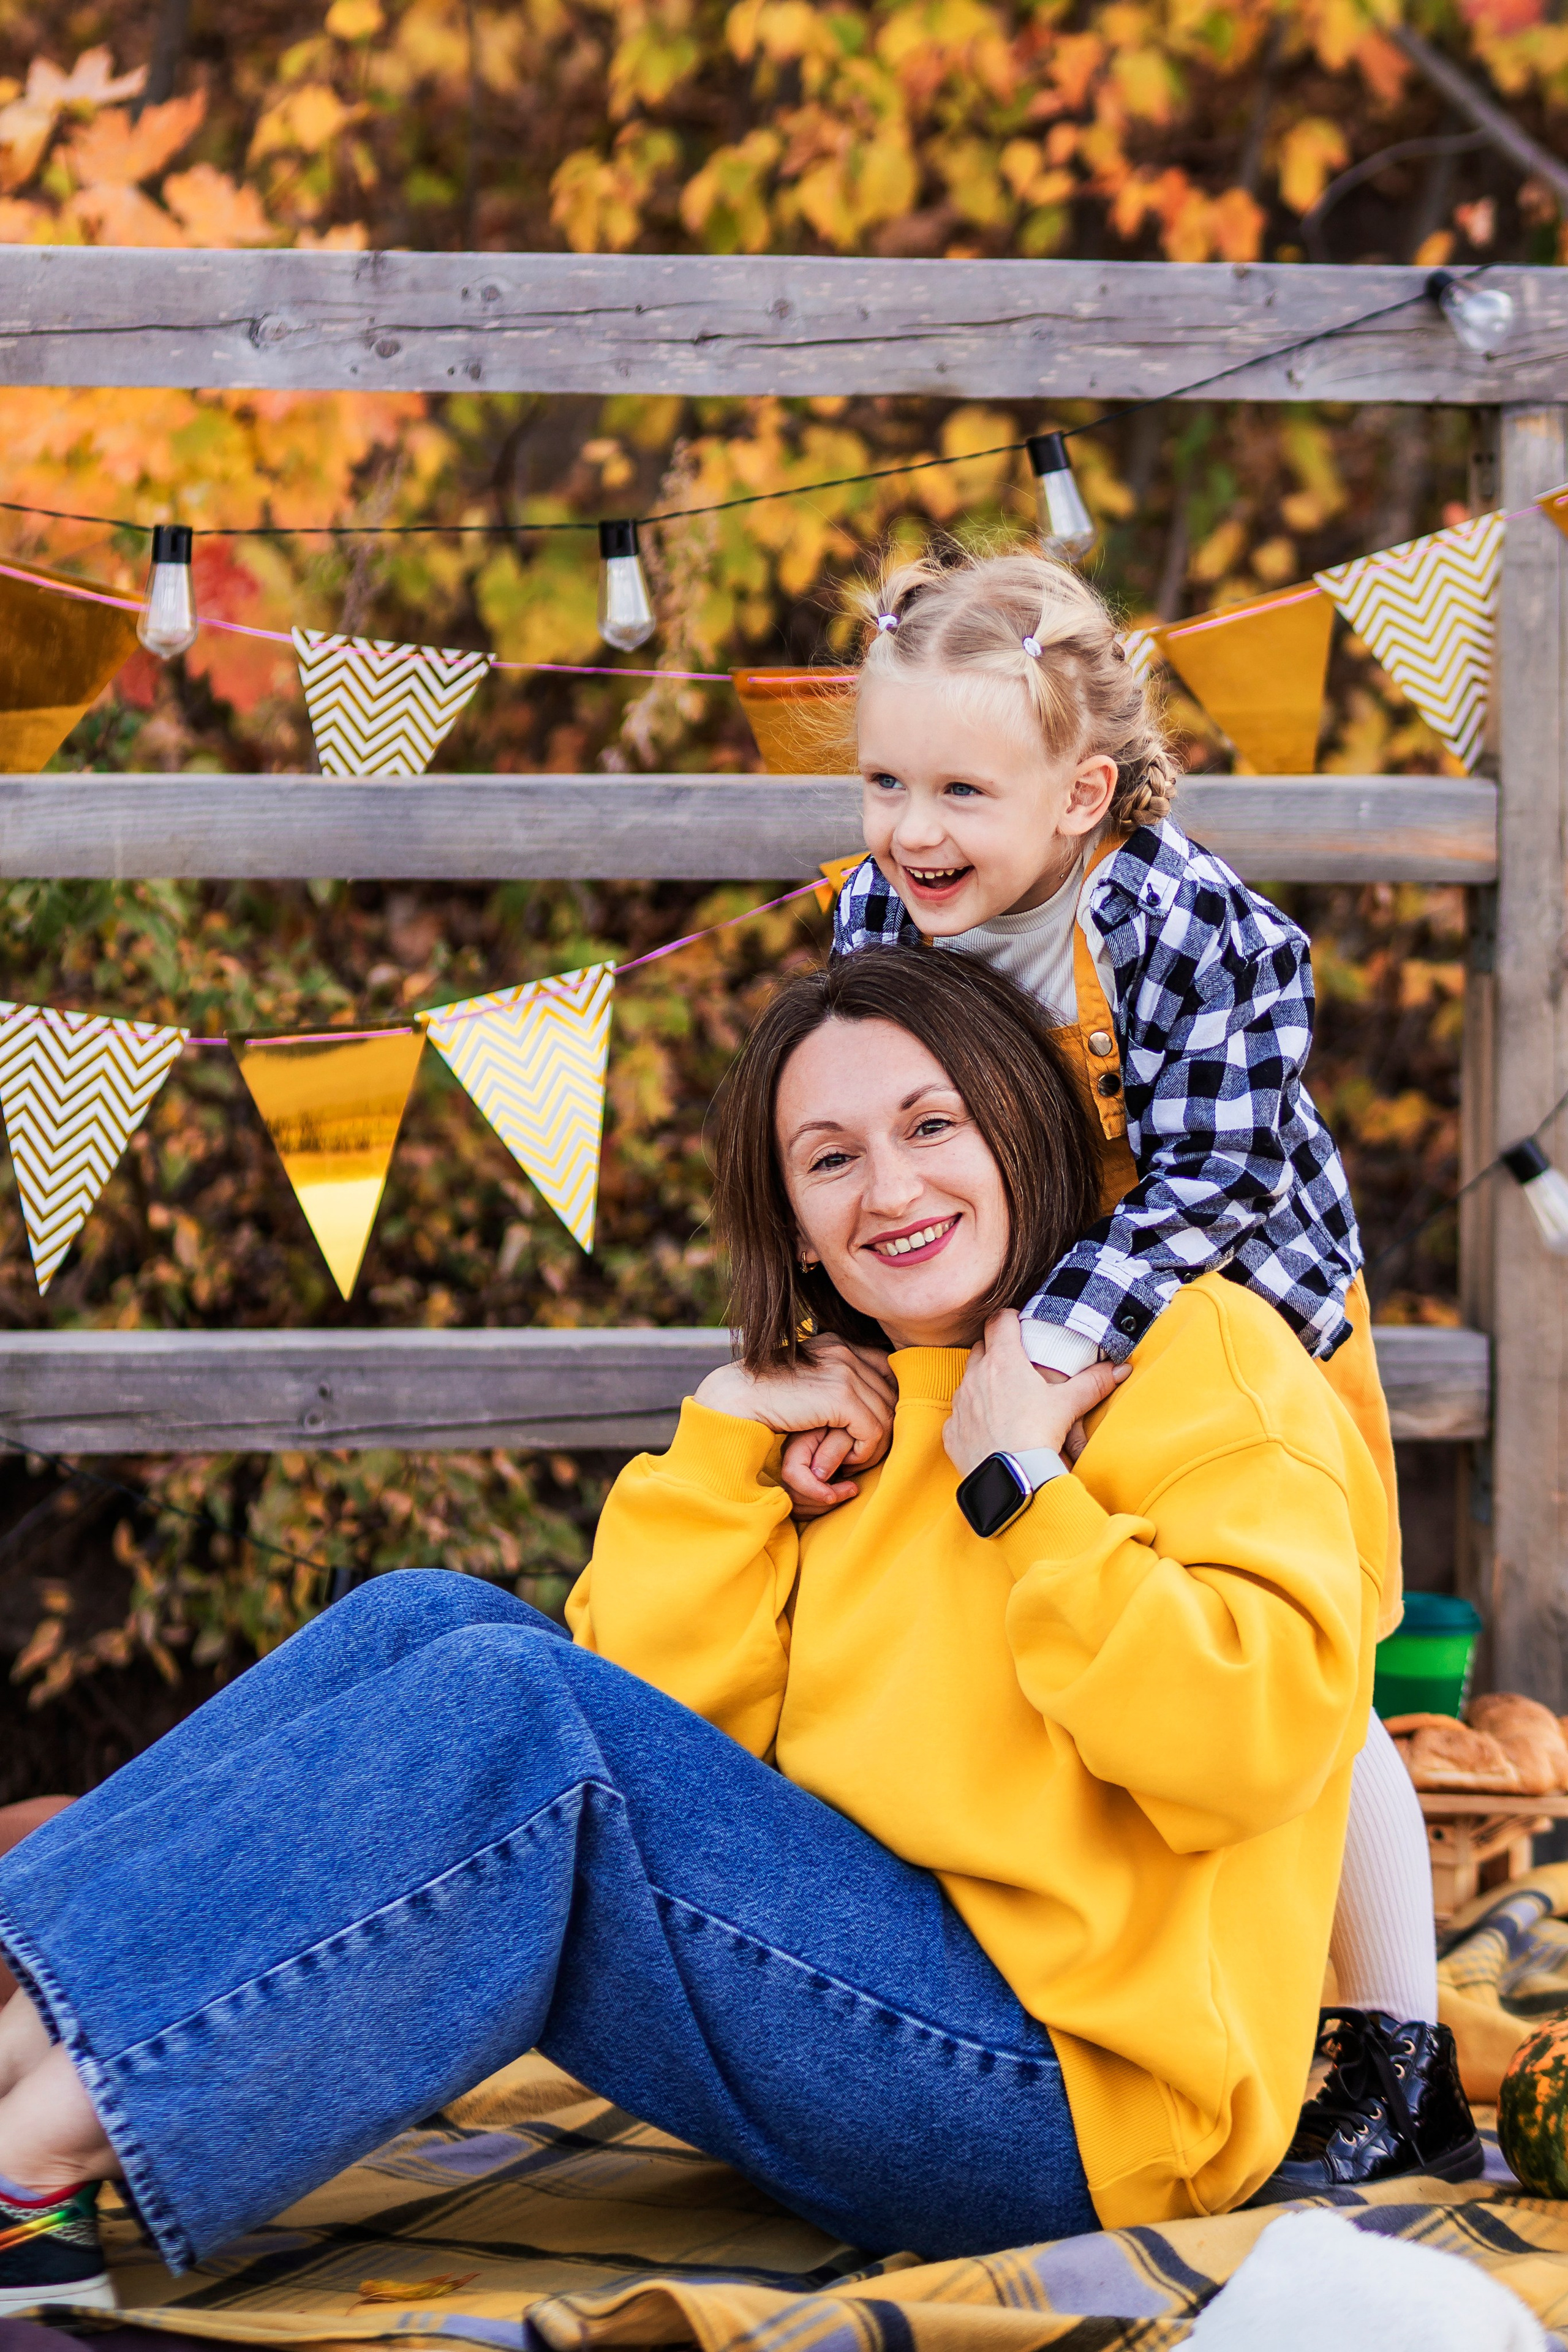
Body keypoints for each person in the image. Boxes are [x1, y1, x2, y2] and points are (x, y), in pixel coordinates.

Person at [0, 949, 1464, 2316]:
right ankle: (13, 2029)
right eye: (827, 1159)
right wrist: (720, 1453)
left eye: (929, 1125)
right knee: (426, 1620)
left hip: (1079, 2100)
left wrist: (1021, 1481)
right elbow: (646, 1743)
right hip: (850, 2003)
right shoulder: (858, 1414)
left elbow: (1255, 1745)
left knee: (507, 1700)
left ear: (1019, 1127)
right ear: (797, 1225)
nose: (884, 1185)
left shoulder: (1194, 1351)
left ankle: (36, 2162)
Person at [783, 547, 1465, 2192]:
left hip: (1229, 1331)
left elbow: (1220, 1178)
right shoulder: (883, 912)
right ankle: (1080, 1969)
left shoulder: (1192, 926)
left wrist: (1070, 1339)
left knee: (1313, 1687)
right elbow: (874, 1127)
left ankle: (1397, 2049)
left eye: (961, 786)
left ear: (1083, 790)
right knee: (1075, 1629)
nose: (913, 828)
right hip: (1034, 1336)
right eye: (886, 781)